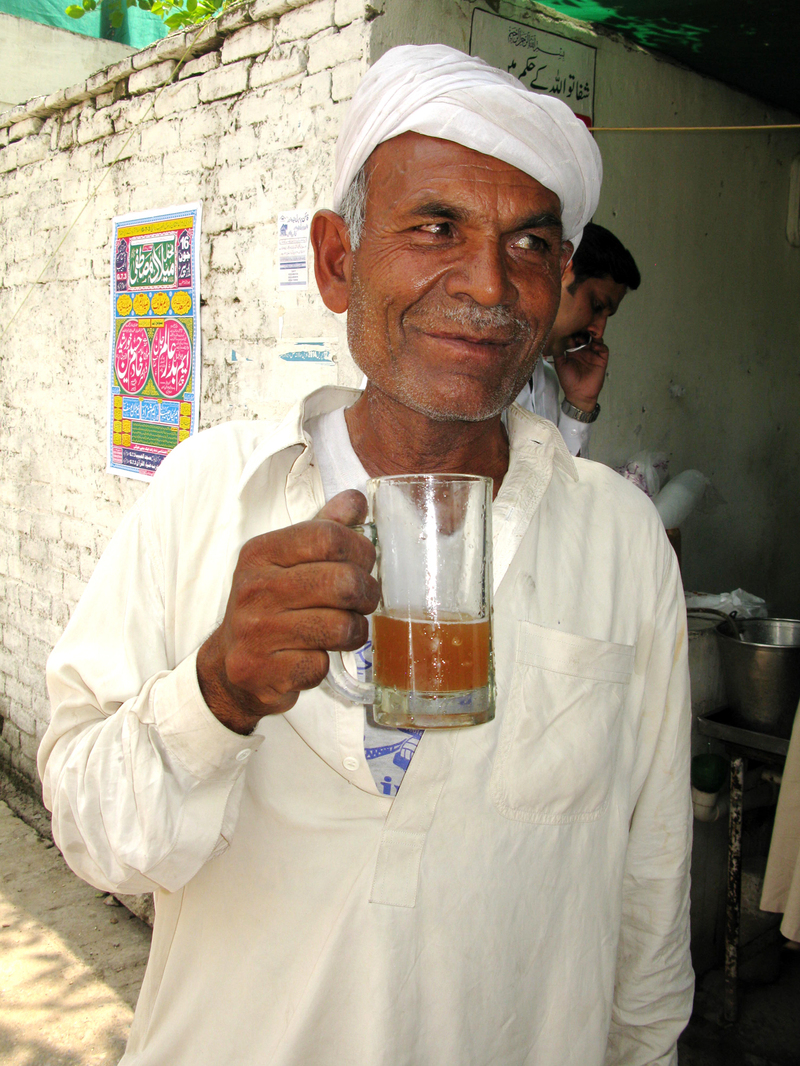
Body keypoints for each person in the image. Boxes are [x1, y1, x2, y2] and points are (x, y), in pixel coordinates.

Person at [38, 44, 693, 1066]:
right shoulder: (210, 493)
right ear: (339, 259)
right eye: (435, 226)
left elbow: (647, 883)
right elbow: (90, 836)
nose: (485, 282)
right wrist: (213, 694)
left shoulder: (618, 539)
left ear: (559, 279)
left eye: (527, 243)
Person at [514, 221, 641, 456]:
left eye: (607, 316)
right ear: (563, 270)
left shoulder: (546, 382)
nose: (599, 331)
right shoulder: (480, 368)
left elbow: (565, 489)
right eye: (597, 305)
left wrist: (580, 404)